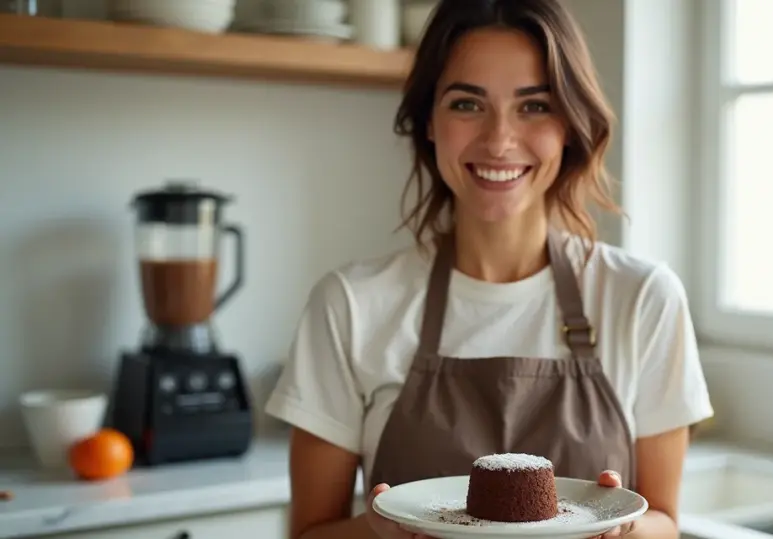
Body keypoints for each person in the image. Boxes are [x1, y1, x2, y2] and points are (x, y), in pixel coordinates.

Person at [264, 0, 714, 538]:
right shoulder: (350, 305)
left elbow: (665, 522)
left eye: (534, 106)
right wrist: (376, 532)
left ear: (571, 124)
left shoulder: (641, 298)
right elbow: (308, 533)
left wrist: (626, 533)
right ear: (428, 121)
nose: (500, 139)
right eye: (467, 104)